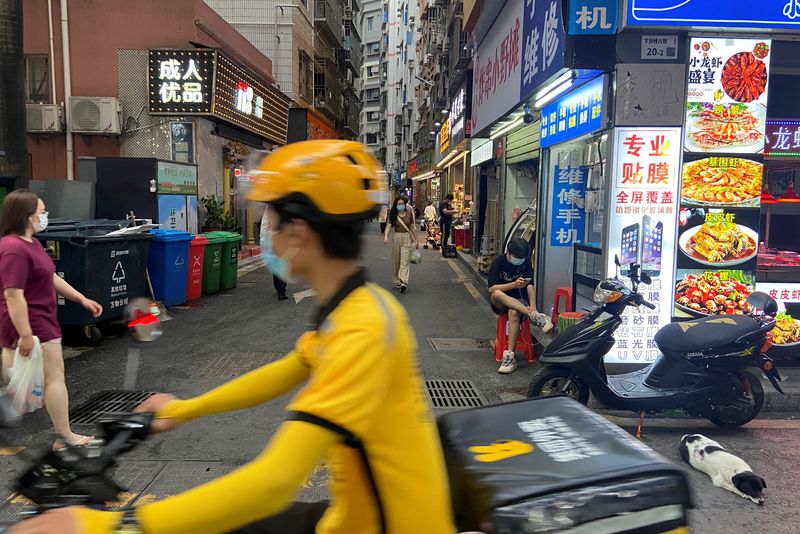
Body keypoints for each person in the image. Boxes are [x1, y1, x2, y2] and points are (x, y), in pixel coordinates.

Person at [10, 141, 456, 534]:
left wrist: (117, 525)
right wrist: (185, 408)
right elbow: (284, 372)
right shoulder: (353, 307)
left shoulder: (363, 329)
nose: (267, 232)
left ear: (298, 231)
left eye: (271, 220)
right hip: (357, 518)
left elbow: (274, 482)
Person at [0, 191, 103, 449]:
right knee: (53, 379)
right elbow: (13, 295)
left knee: (31, 380)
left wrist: (81, 299)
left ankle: (56, 431)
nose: (45, 217)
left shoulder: (31, 243)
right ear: (26, 216)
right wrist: (24, 334)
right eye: (41, 212)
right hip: (32, 324)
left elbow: (51, 278)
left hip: (37, 321)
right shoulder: (14, 249)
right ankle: (64, 436)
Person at [487, 237, 553, 374]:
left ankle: (510, 356)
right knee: (496, 294)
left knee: (513, 313)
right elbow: (491, 288)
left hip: (520, 300)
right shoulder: (498, 261)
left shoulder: (526, 261)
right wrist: (513, 284)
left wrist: (533, 306)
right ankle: (535, 317)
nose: (520, 260)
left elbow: (530, 285)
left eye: (522, 258)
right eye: (517, 257)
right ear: (508, 253)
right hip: (500, 301)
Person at [383, 195, 419, 294]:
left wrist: (416, 240)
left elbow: (412, 228)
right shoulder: (393, 214)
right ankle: (397, 279)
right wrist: (385, 236)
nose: (400, 205)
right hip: (396, 238)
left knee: (405, 261)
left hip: (407, 237)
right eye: (399, 204)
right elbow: (389, 226)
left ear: (405, 204)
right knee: (396, 260)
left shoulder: (409, 214)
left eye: (402, 204)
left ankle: (404, 282)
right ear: (396, 205)